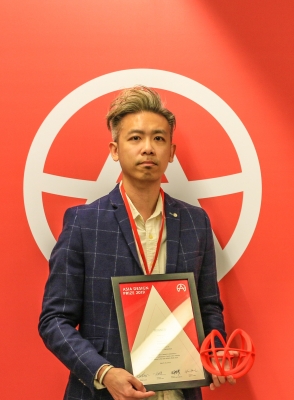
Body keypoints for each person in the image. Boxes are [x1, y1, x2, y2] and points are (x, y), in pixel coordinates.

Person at [39, 86, 235, 400]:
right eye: (135, 138)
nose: (148, 148)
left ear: (171, 151)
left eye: (158, 138)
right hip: (105, 393)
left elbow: (208, 307)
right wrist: (104, 373)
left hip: (178, 391)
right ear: (114, 150)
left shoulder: (196, 222)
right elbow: (54, 320)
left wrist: (215, 350)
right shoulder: (84, 223)